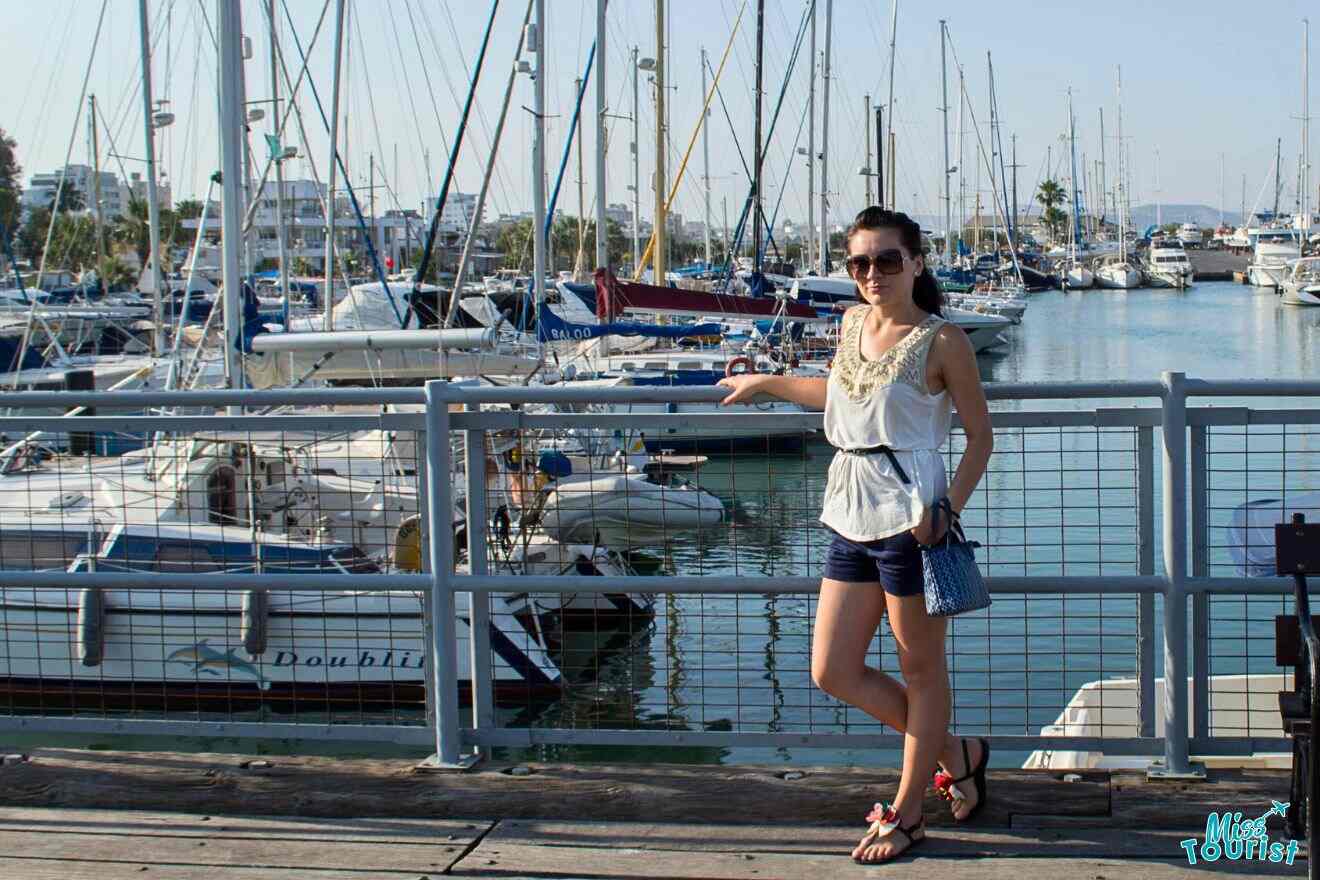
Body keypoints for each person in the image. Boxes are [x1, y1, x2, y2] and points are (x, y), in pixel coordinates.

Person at [717, 207, 994, 864]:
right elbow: (841, 395)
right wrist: (768, 385)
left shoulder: (942, 339)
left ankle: (908, 811)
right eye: (861, 263)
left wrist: (947, 509)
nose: (873, 274)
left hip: (910, 521)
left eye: (888, 260)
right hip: (847, 512)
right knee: (831, 669)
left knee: (921, 671)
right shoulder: (850, 323)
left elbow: (981, 438)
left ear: (917, 263)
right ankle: (956, 753)